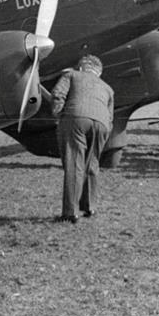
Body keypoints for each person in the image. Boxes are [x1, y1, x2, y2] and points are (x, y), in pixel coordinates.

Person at [51, 55, 114, 223]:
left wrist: (58, 115)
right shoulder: (107, 88)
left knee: (74, 164)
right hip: (102, 124)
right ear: (98, 73)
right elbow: (110, 116)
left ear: (81, 68)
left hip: (76, 117)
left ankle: (71, 212)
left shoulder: (71, 75)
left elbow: (58, 94)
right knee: (92, 164)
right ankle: (90, 207)